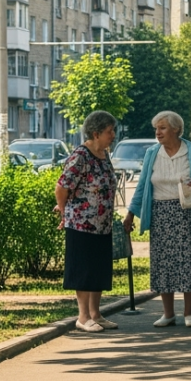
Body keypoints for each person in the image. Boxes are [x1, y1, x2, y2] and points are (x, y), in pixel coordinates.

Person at [124, 111, 191, 329]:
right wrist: (130, 214)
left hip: (187, 214)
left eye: (162, 128)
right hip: (160, 215)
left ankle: (188, 313)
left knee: (189, 262)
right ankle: (168, 314)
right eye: (156, 128)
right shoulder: (152, 153)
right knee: (163, 264)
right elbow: (142, 186)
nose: (158, 132)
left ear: (176, 129)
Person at [55, 111, 121, 333]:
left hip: (102, 225)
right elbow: (62, 186)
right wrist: (64, 211)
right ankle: (83, 317)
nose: (113, 135)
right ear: (96, 133)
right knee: (83, 270)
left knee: (98, 269)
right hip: (81, 223)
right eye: (109, 131)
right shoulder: (80, 156)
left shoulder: (103, 154)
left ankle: (96, 314)